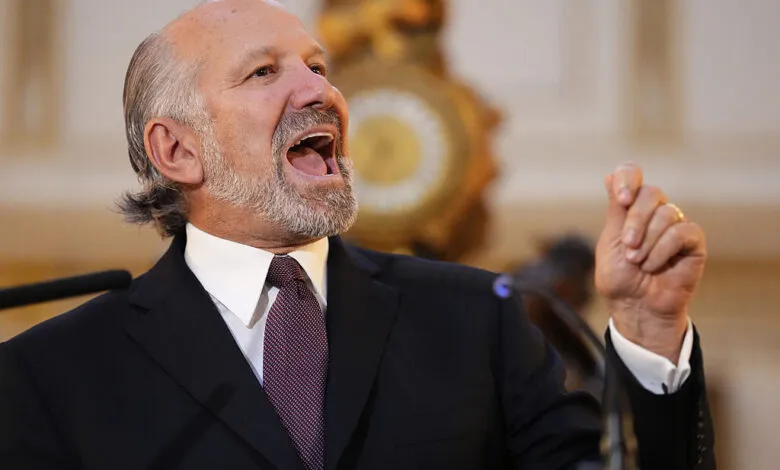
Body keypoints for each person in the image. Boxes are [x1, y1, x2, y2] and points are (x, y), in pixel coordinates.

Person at [0, 1, 715, 469]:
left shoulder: (474, 319)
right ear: (177, 151)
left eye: (317, 68)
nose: (319, 92)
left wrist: (650, 334)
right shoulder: (48, 375)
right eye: (262, 73)